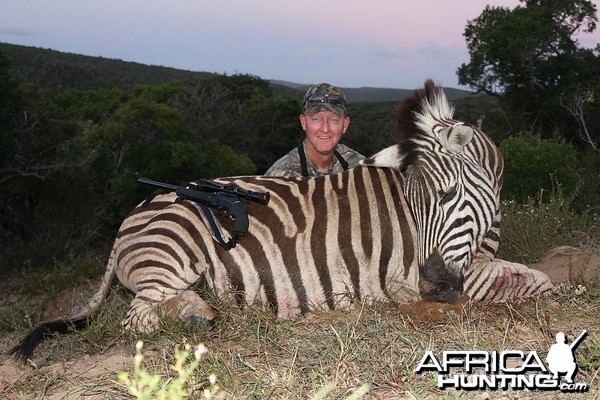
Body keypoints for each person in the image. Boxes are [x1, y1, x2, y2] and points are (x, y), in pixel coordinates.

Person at [265, 83, 364, 177]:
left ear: (345, 124)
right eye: (316, 119)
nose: (325, 129)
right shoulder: (281, 175)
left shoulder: (358, 167)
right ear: (303, 122)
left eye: (334, 120)